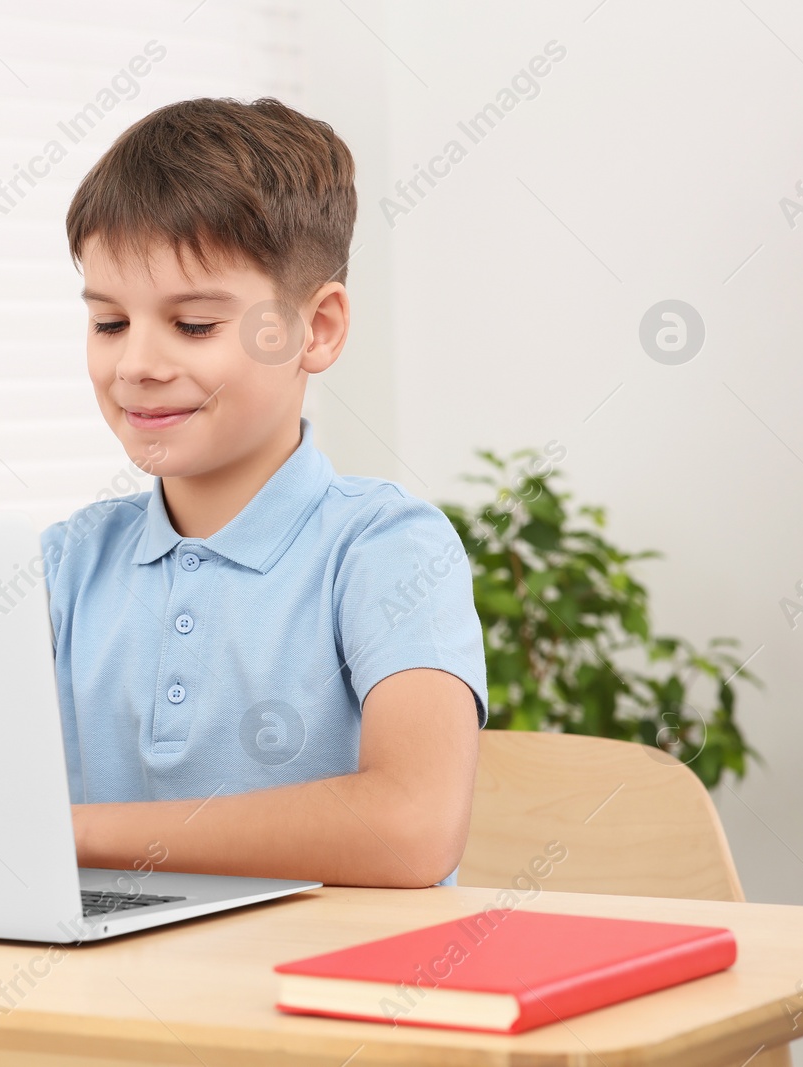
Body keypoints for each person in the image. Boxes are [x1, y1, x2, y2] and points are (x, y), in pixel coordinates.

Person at [43, 97, 488, 888]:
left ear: (314, 330)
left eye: (194, 326)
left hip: (338, 1000)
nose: (135, 364)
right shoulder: (69, 563)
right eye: (109, 323)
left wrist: (69, 834)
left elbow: (412, 826)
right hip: (114, 1002)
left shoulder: (386, 549)